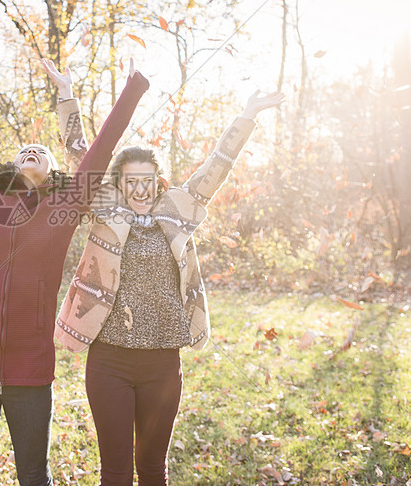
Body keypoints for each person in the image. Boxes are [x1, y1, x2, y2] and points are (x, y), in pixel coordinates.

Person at [0, 60, 149, 486]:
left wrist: (132, 88)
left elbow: (102, 149)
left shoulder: (66, 206)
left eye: (41, 150)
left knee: (34, 477)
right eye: (24, 149)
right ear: (12, 164)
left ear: (54, 170)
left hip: (31, 368)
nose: (31, 149)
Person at [55, 89, 285, 486]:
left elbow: (217, 165)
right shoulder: (106, 208)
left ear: (158, 183)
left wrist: (247, 114)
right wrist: (65, 95)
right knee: (114, 471)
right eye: (131, 182)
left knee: (152, 471)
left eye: (147, 181)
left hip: (162, 363)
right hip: (109, 360)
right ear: (119, 184)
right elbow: (80, 151)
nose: (140, 190)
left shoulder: (177, 209)